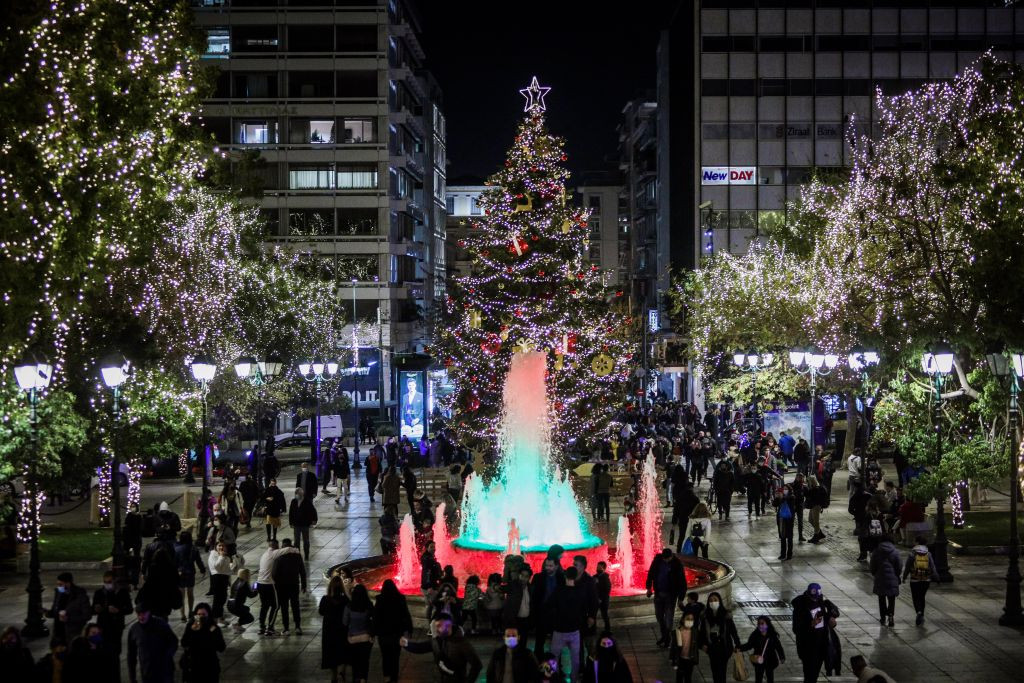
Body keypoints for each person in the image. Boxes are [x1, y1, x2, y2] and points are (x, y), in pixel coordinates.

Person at [401, 614, 483, 683]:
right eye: (436, 626)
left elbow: (477, 665)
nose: (436, 629)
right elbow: (421, 648)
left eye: (439, 626)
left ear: (449, 625)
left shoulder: (462, 643)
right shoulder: (438, 639)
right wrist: (407, 644)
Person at [791, 583, 840, 683]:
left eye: (817, 598)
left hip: (821, 646)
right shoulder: (800, 607)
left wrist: (831, 622)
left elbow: (826, 620)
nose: (815, 600)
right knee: (809, 675)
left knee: (815, 674)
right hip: (808, 647)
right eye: (813, 598)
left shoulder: (820, 602)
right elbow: (796, 629)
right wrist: (811, 624)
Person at [549, 566, 586, 683]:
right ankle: (574, 680)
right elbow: (583, 609)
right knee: (575, 660)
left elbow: (550, 605)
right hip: (574, 630)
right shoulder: (580, 591)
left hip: (559, 630)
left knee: (554, 657)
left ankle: (554, 679)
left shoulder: (558, 590)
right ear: (576, 576)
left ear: (565, 575)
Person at [92, 570, 131, 679]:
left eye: (109, 582)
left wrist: (118, 611)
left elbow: (129, 609)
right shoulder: (99, 593)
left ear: (115, 581)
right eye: (105, 582)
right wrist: (96, 609)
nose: (107, 584)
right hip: (102, 626)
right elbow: (93, 609)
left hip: (116, 628)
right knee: (101, 654)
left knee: (114, 656)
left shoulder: (122, 593)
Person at [127, 602, 178, 683]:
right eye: (138, 614)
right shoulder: (134, 630)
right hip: (147, 673)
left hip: (165, 670)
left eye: (143, 614)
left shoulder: (161, 624)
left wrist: (167, 655)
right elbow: (131, 655)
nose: (141, 617)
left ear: (149, 612)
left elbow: (173, 641)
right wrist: (132, 677)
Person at [646, 548, 687, 648]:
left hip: (671, 595)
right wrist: (649, 588)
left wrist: (681, 598)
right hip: (659, 594)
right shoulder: (657, 561)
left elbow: (682, 582)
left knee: (669, 618)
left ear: (671, 556)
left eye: (667, 559)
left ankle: (667, 638)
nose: (665, 560)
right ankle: (665, 635)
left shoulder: (677, 564)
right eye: (664, 559)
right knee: (659, 616)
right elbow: (651, 573)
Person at [256, 538, 298, 636]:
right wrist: (296, 550)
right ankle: (270, 628)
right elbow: (287, 549)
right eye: (278, 545)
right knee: (275, 606)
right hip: (269, 584)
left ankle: (261, 627)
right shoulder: (273, 553)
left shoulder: (264, 554)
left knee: (264, 606)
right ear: (275, 546)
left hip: (259, 583)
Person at [375, 578, 413, 683]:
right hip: (397, 634)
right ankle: (394, 678)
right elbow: (406, 615)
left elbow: (376, 617)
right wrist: (409, 630)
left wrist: (374, 632)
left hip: (383, 635)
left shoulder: (380, 599)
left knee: (385, 657)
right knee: (395, 657)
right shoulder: (400, 598)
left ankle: (387, 677)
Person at [698, 592, 740, 683]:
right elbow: (701, 634)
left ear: (719, 601)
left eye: (715, 600)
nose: (713, 602)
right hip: (712, 648)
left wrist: (738, 645)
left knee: (722, 671)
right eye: (711, 600)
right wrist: (702, 645)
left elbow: (733, 631)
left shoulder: (726, 615)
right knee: (715, 671)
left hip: (724, 647)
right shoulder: (706, 617)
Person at [179, 603, 225, 683]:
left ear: (208, 615)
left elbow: (221, 647)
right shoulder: (191, 626)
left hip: (210, 665)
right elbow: (184, 643)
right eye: (198, 614)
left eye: (203, 614)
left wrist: (211, 635)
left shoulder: (213, 628)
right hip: (194, 665)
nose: (201, 617)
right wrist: (192, 631)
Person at [529, 557, 565, 655]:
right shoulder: (538, 577)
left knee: (557, 643)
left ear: (556, 566)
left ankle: (556, 666)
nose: (547, 568)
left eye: (550, 566)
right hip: (542, 613)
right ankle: (537, 665)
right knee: (539, 641)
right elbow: (533, 597)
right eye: (546, 565)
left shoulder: (562, 578)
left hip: (556, 614)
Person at [319, 574, 351, 683]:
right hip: (342, 629)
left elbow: (321, 612)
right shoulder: (345, 600)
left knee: (331, 653)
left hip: (329, 631)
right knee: (344, 650)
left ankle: (334, 676)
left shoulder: (325, 599)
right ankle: (342, 671)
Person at [903, 535, 940, 625]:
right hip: (926, 579)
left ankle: (919, 612)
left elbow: (908, 567)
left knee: (916, 597)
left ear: (917, 542)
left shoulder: (913, 553)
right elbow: (932, 567)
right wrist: (937, 577)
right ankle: (922, 615)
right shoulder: (928, 553)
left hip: (915, 579)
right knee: (922, 597)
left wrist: (904, 577)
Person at [273, 537, 307, 635]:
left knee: (284, 607)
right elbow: (302, 571)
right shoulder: (297, 555)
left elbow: (275, 573)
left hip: (282, 587)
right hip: (294, 585)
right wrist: (304, 585)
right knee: (295, 606)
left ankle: (286, 628)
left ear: (283, 546)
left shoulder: (279, 557)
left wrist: (274, 587)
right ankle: (297, 627)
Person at [47, 571, 92, 645]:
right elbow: (55, 610)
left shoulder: (80, 595)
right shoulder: (58, 593)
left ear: (68, 583)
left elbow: (87, 615)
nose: (59, 587)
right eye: (58, 584)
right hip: (58, 632)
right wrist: (48, 613)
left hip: (72, 633)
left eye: (61, 584)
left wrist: (69, 618)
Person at [738, 616, 785, 683]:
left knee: (770, 678)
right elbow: (749, 645)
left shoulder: (772, 635)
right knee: (758, 679)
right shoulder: (755, 634)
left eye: (762, 623)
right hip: (759, 660)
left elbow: (778, 647)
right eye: (759, 623)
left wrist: (782, 657)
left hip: (770, 660)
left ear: (767, 624)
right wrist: (740, 648)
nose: (760, 625)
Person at [343, 584, 375, 683]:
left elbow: (344, 622)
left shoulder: (349, 606)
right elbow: (374, 620)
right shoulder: (369, 605)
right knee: (365, 661)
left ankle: (356, 678)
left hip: (353, 638)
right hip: (366, 638)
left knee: (355, 662)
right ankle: (363, 678)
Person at [869, 534, 902, 627]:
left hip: (880, 578)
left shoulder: (876, 551)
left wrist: (874, 573)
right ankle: (891, 615)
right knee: (891, 598)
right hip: (892, 578)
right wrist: (897, 574)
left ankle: (883, 617)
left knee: (881, 598)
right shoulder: (895, 551)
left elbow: (872, 565)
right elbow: (899, 565)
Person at [207, 541, 242, 626]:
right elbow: (217, 567)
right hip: (217, 579)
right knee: (217, 600)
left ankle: (220, 618)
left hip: (224, 579)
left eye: (223, 546)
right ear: (216, 547)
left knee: (222, 599)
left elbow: (230, 570)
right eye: (219, 546)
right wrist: (222, 556)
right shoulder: (213, 555)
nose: (221, 548)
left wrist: (237, 560)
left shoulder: (225, 556)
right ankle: (214, 620)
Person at [175, 531, 206, 622]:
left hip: (180, 574)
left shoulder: (177, 549)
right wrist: (202, 569)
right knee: (190, 593)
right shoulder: (194, 549)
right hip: (190, 573)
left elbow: (174, 562)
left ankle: (182, 615)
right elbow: (198, 561)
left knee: (181, 595)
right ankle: (191, 612)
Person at [670, 607, 701, 683]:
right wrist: (672, 658)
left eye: (691, 619)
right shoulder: (678, 632)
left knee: (688, 677)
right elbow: (673, 646)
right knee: (679, 677)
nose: (690, 621)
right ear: (683, 619)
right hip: (680, 659)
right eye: (688, 619)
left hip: (690, 659)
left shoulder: (695, 632)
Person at [288, 488, 318, 562]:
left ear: (302, 494)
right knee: (296, 541)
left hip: (304, 524)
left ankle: (306, 554)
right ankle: (297, 555)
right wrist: (291, 522)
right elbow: (291, 512)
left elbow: (313, 511)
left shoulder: (307, 501)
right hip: (296, 524)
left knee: (306, 541)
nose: (297, 496)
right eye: (297, 494)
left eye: (299, 494)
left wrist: (314, 520)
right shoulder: (294, 501)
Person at [672, 483, 700, 554]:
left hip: (682, 520)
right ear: (692, 488)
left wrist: (674, 522)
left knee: (682, 536)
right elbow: (698, 511)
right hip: (692, 521)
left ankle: (679, 551)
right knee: (693, 536)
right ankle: (693, 553)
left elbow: (676, 511)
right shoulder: (695, 499)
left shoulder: (679, 498)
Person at [227, 568, 257, 633]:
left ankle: (238, 625)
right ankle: (237, 625)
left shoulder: (236, 581)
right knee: (250, 618)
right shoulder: (244, 584)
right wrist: (256, 588)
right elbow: (251, 595)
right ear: (247, 575)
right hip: (236, 606)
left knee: (246, 609)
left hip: (229, 605)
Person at [774, 483, 796, 561]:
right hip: (782, 520)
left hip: (789, 520)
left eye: (786, 489)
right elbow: (774, 504)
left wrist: (782, 497)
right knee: (783, 537)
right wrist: (776, 498)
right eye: (784, 489)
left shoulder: (792, 497)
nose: (785, 490)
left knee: (789, 538)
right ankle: (782, 554)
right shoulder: (781, 497)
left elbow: (788, 499)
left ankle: (789, 554)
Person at [805, 476, 828, 543]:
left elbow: (810, 496)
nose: (807, 483)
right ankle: (819, 533)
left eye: (808, 481)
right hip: (813, 506)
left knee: (815, 521)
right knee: (810, 520)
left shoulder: (816, 489)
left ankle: (816, 536)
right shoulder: (813, 488)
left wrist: (807, 489)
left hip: (816, 506)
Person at [594, 561, 612, 632]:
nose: (598, 568)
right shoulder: (595, 577)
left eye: (599, 567)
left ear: (604, 568)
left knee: (604, 615)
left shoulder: (605, 578)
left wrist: (601, 599)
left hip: (603, 600)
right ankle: (593, 629)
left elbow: (607, 590)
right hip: (596, 599)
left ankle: (608, 630)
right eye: (597, 567)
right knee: (593, 615)